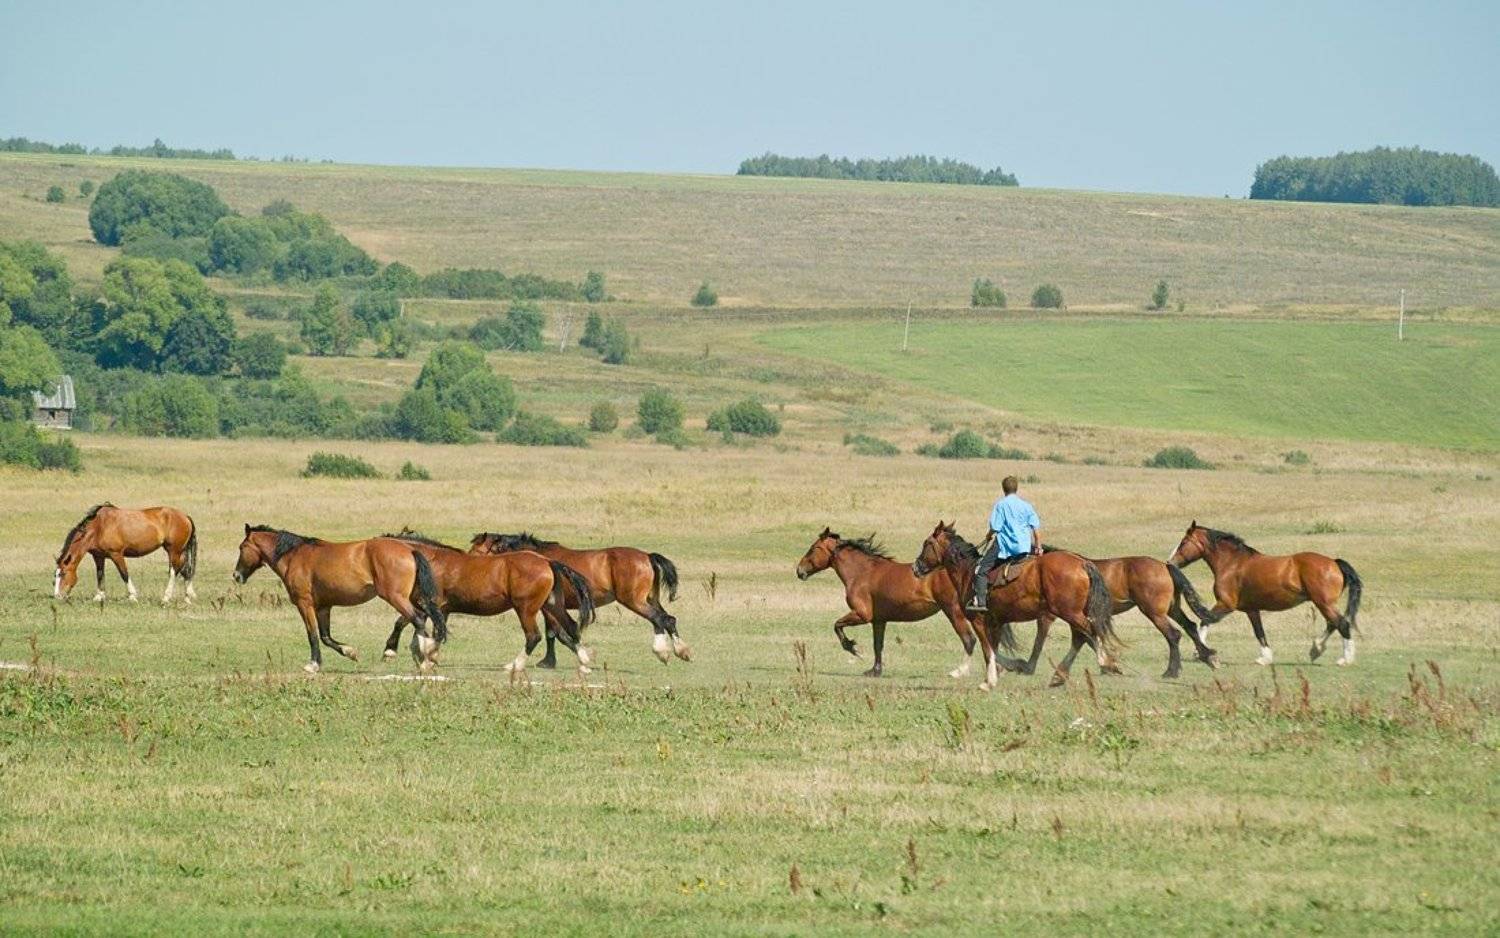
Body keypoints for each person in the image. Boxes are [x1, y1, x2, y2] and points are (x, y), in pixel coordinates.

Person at [970, 475, 1041, 612]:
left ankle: (980, 601)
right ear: (1016, 488)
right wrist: (1038, 547)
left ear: (1004, 489)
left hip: (1005, 546)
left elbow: (995, 527)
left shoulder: (1001, 505)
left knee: (981, 570)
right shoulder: (1026, 506)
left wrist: (988, 536)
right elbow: (1036, 529)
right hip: (1023, 547)